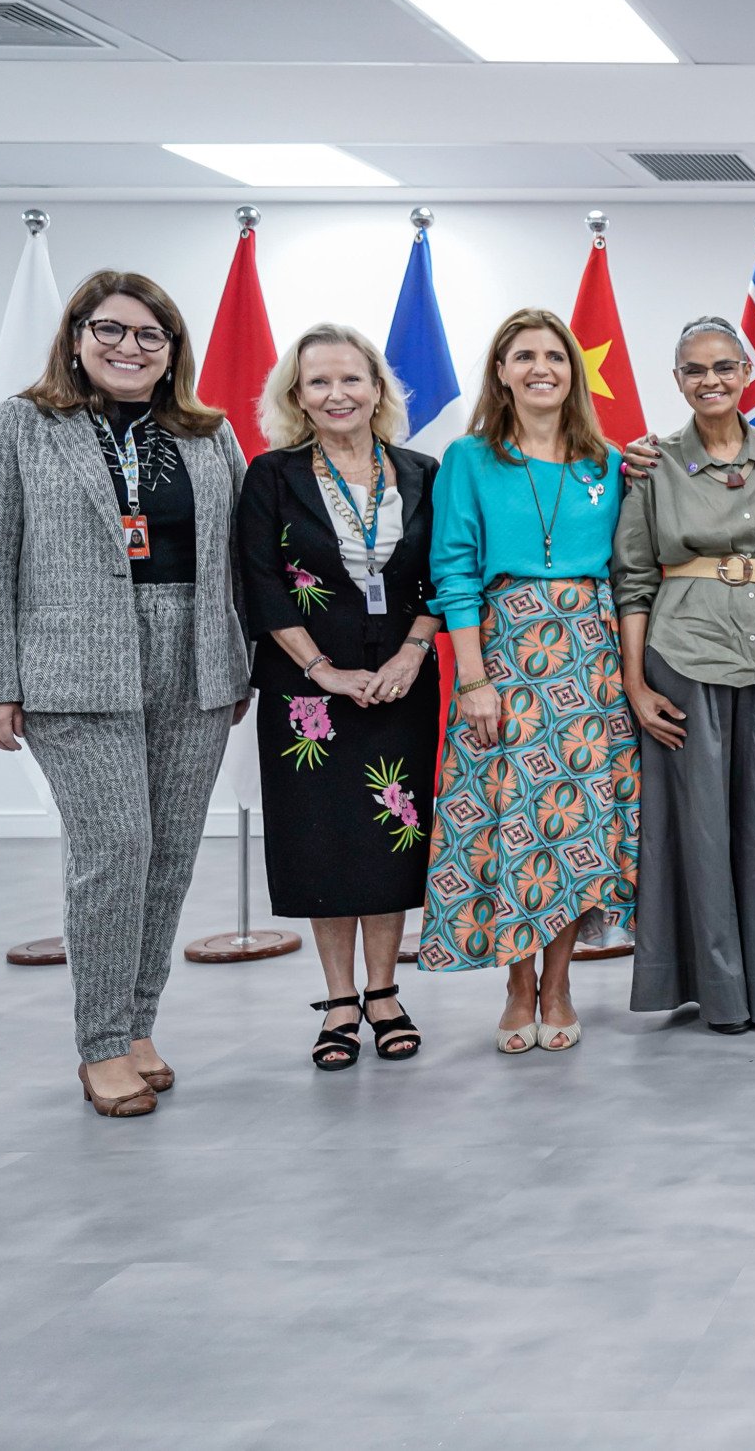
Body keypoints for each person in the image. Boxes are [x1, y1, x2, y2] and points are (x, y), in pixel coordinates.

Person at [0, 270, 251, 1117]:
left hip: (192, 657)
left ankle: (137, 1023)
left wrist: (235, 660)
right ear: (78, 337)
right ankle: (98, 1043)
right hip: (73, 664)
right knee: (114, 848)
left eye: (149, 335)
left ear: (172, 351)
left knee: (169, 854)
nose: (130, 347)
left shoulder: (208, 432)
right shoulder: (23, 426)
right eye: (111, 330)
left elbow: (239, 556)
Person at [421, 308, 637, 1054]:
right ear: (502, 371)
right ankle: (517, 984)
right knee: (511, 823)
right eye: (524, 355)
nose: (541, 366)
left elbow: (628, 565)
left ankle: (560, 983)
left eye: (555, 355)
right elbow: (451, 570)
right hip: (506, 656)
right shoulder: (470, 458)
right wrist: (473, 679)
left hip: (589, 659)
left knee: (576, 826)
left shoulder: (605, 463)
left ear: (574, 371)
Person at [612, 317, 755, 1034]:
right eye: (695, 369)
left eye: (724, 367)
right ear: (677, 379)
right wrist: (637, 683)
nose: (711, 380)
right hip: (686, 650)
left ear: (745, 374)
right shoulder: (652, 462)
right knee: (700, 825)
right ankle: (718, 991)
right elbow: (634, 579)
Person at [238, 324, 443, 1069]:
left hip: (401, 683)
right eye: (318, 381)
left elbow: (444, 576)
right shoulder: (273, 475)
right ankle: (338, 1002)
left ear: (378, 388)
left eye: (351, 379)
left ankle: (385, 992)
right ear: (296, 393)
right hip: (308, 693)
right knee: (325, 839)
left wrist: (414, 652)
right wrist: (322, 668)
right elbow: (261, 583)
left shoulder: (423, 470)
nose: (336, 394)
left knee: (389, 838)